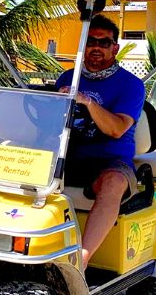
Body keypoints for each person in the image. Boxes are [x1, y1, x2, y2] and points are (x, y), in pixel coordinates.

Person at [55, 15, 145, 269]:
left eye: (103, 43)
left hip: (109, 160)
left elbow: (116, 129)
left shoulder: (130, 85)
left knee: (114, 182)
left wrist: (88, 102)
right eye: (90, 41)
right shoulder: (67, 78)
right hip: (67, 155)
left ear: (114, 48)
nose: (96, 47)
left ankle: (81, 259)